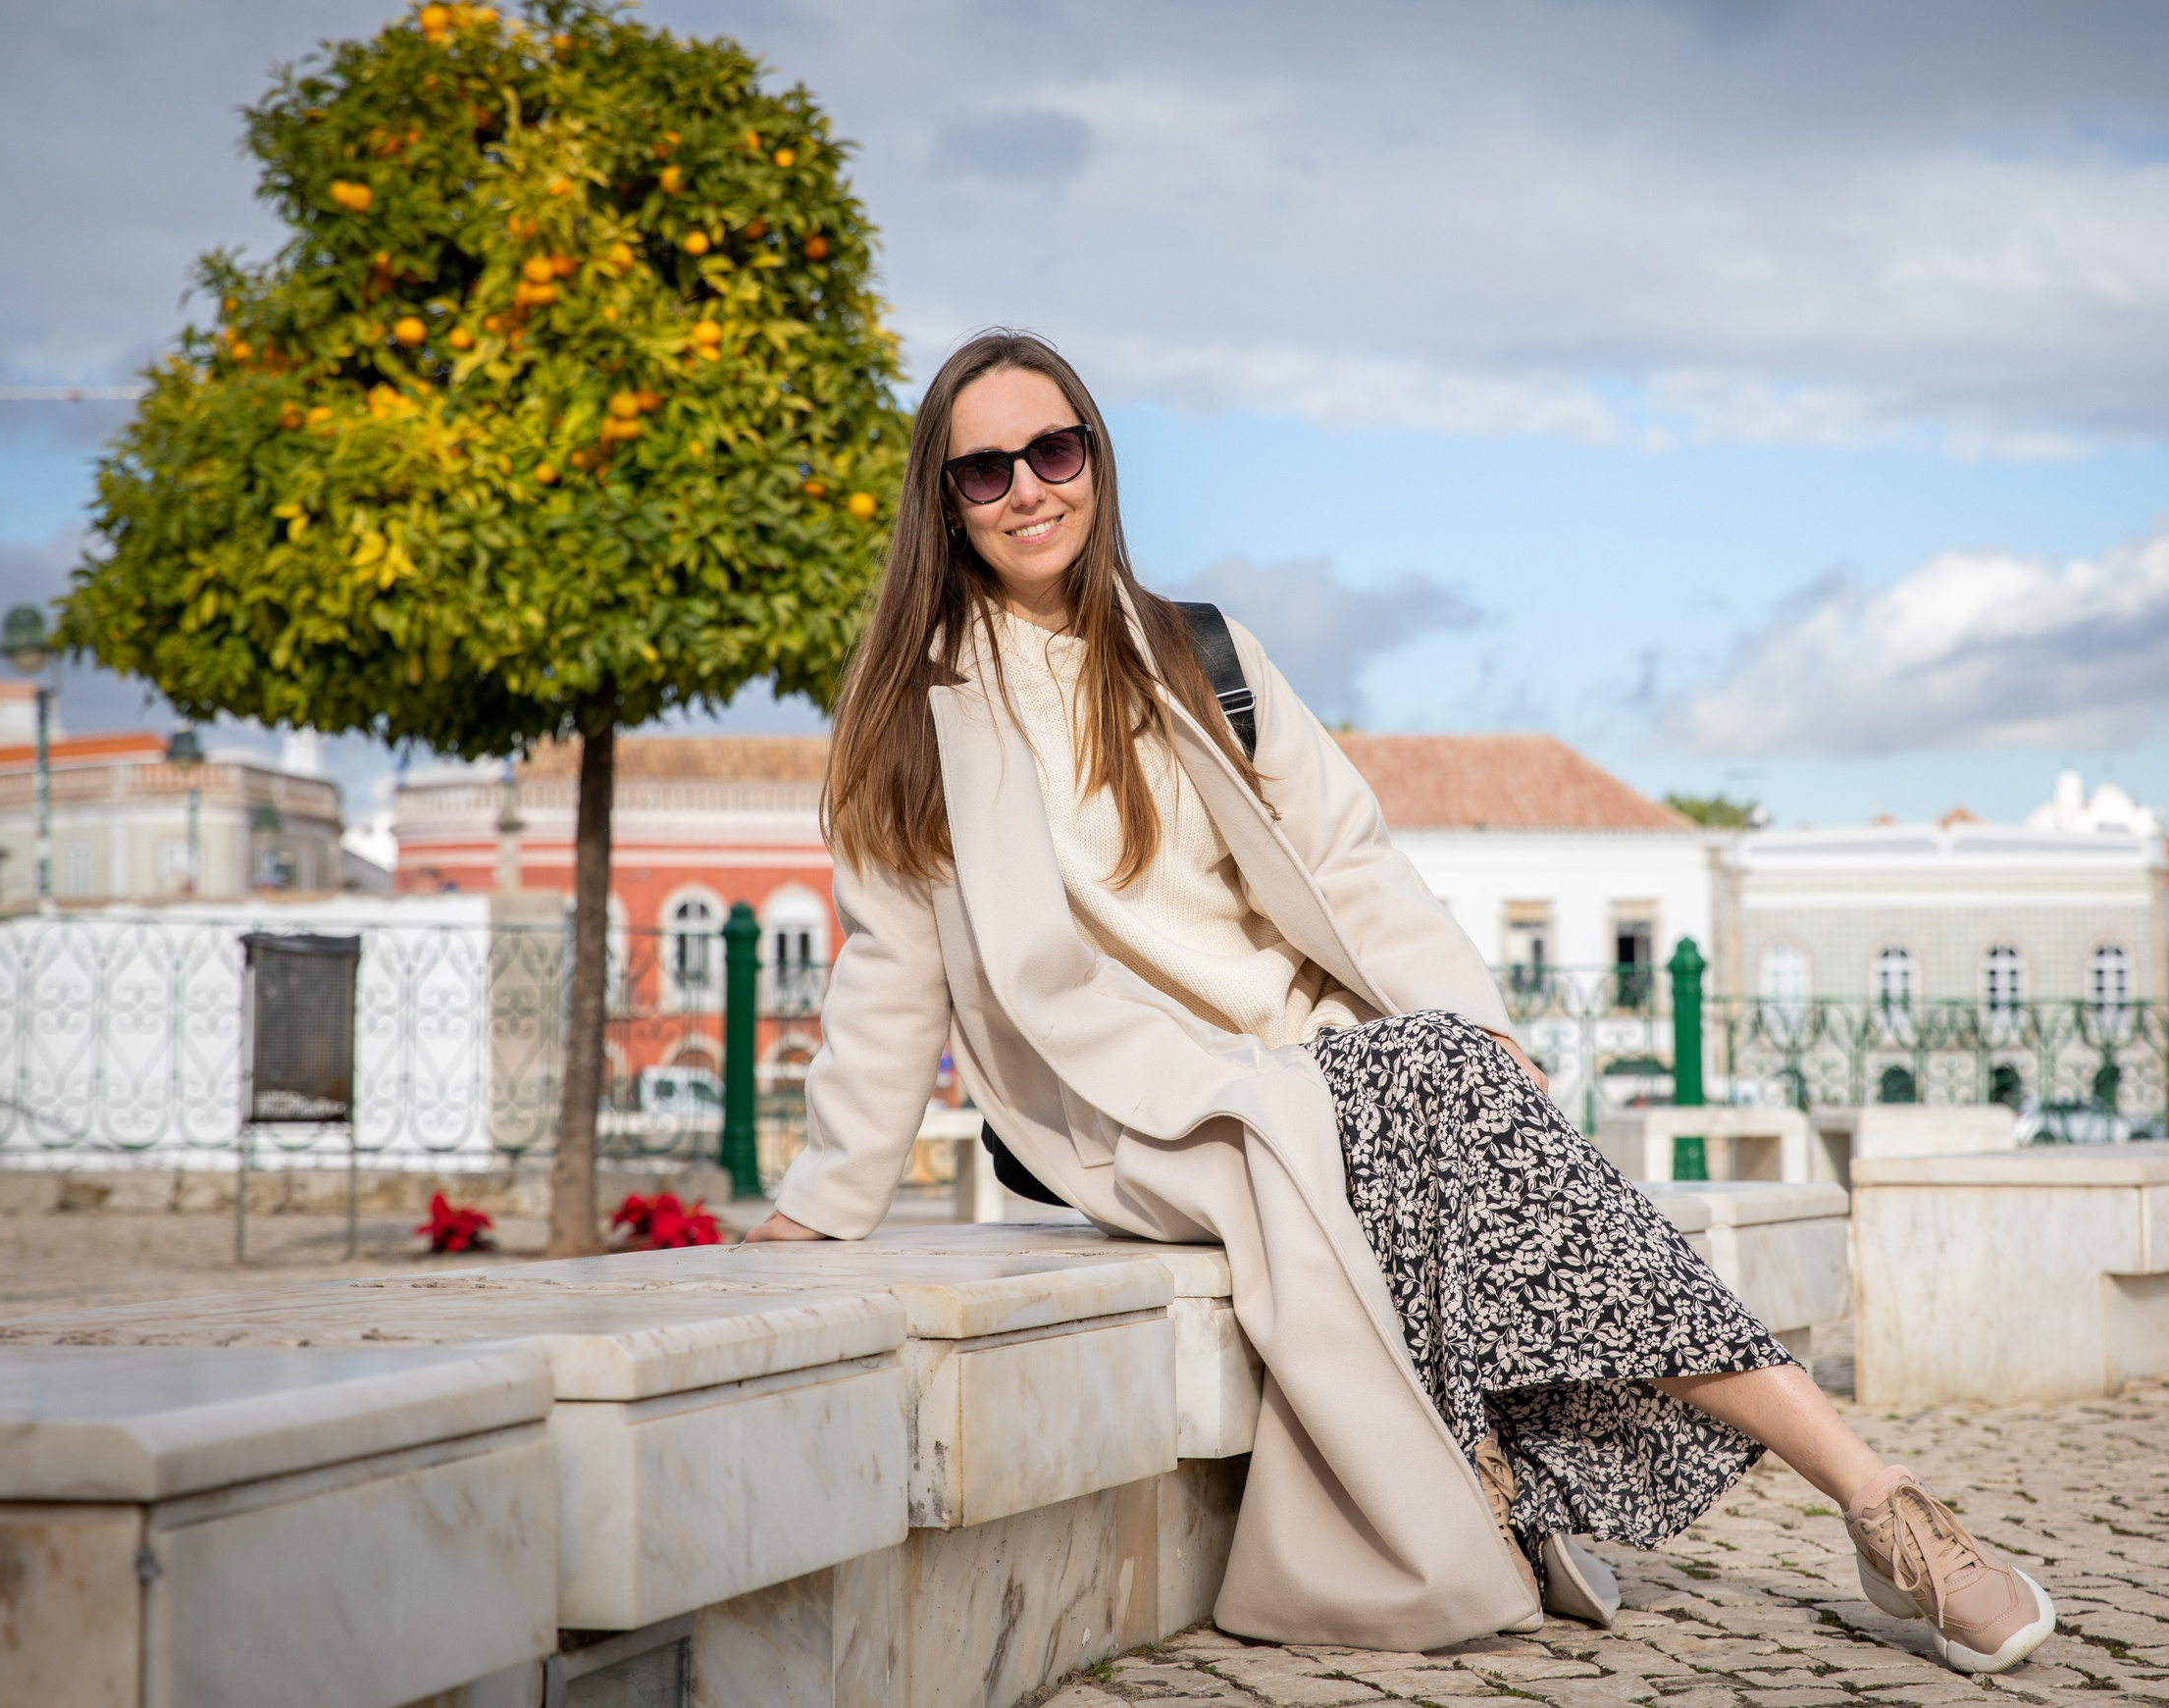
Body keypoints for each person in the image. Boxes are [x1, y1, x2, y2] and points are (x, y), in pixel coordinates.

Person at [747, 330, 2054, 1673]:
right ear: (943, 500)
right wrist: (822, 1202)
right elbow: (887, 977)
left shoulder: (1197, 650)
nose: (1030, 488)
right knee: (1447, 1092)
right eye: (986, 469)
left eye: (1056, 450)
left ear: (1096, 462)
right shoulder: (909, 721)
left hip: (1326, 1058)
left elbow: (1353, 859)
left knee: (1454, 1079)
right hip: (1148, 1111)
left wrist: (1472, 1018)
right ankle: (1877, 1501)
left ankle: (1849, 1502)